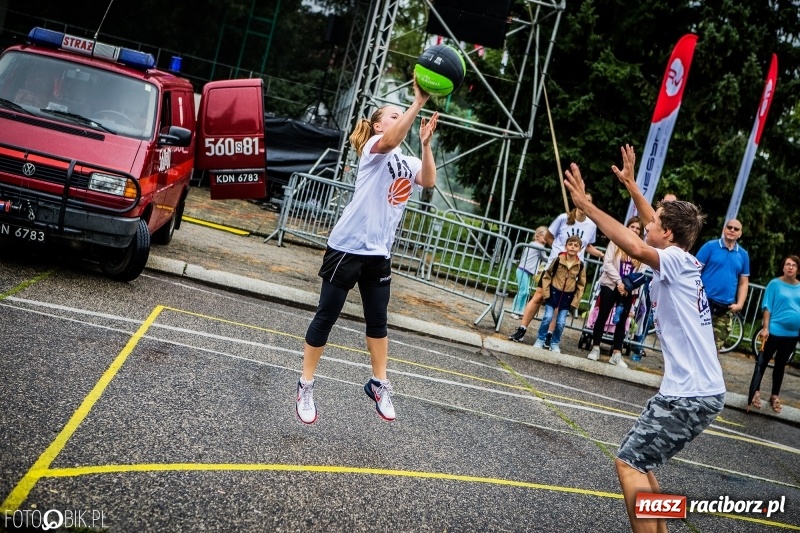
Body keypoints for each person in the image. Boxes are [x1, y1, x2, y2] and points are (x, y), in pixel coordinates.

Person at [564, 144, 725, 533]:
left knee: (628, 463)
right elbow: (652, 222)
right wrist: (633, 186)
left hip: (689, 393)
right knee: (643, 463)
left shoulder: (672, 259)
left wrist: (586, 207)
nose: (646, 221)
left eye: (655, 222)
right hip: (699, 391)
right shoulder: (681, 258)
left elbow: (634, 244)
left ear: (667, 234)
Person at [295, 79, 439, 424]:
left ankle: (379, 382)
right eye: (394, 113)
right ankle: (305, 384)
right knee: (327, 315)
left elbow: (429, 181)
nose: (399, 115)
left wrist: (425, 145)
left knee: (378, 321)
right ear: (378, 124)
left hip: (379, 251)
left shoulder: (404, 159)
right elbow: (392, 139)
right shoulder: (376, 145)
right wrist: (417, 103)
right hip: (348, 246)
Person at [508, 200, 604, 343]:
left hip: (572, 269)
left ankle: (548, 335)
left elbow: (587, 246)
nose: (585, 204)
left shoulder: (591, 225)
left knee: (559, 302)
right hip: (555, 265)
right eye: (583, 200)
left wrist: (602, 255)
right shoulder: (563, 218)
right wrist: (559, 250)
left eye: (589, 201)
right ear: (577, 202)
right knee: (539, 296)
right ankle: (522, 329)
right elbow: (548, 236)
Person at [585, 216, 646, 368]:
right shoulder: (615, 242)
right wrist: (619, 282)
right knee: (603, 314)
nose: (635, 230)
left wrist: (627, 286)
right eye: (633, 227)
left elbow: (642, 270)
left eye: (638, 229)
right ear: (627, 227)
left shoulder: (641, 248)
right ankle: (596, 347)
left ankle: (617, 353)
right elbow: (608, 263)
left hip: (628, 289)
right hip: (611, 284)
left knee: (623, 320)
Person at [747, 255, 800, 414]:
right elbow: (767, 307)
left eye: (793, 265)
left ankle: (774, 395)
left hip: (792, 334)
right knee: (762, 362)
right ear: (783, 267)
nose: (790, 267)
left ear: (798, 269)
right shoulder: (774, 284)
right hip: (775, 330)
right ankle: (755, 392)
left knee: (780, 365)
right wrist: (765, 328)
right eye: (787, 264)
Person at [695, 219, 750, 352]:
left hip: (725, 308)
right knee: (693, 343)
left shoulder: (743, 255)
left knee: (713, 350)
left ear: (740, 234)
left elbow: (744, 282)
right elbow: (694, 271)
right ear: (723, 230)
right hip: (702, 304)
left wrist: (740, 304)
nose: (732, 230)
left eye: (736, 229)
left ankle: (704, 373)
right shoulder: (710, 246)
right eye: (729, 227)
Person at [532, 235, 586, 353]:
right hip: (553, 294)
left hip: (567, 297)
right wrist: (546, 293)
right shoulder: (557, 260)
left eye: (576, 245)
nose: (572, 247)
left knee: (561, 322)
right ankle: (540, 340)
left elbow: (581, 285)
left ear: (580, 249)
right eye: (570, 244)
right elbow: (547, 276)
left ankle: (555, 343)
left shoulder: (580, 266)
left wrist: (575, 302)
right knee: (547, 317)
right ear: (566, 246)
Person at [511, 226, 549, 316]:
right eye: (544, 237)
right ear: (537, 236)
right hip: (523, 270)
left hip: (525, 271)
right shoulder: (539, 246)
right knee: (523, 291)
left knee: (525, 292)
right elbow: (545, 258)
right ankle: (515, 310)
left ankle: (519, 311)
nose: (546, 239)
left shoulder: (533, 244)